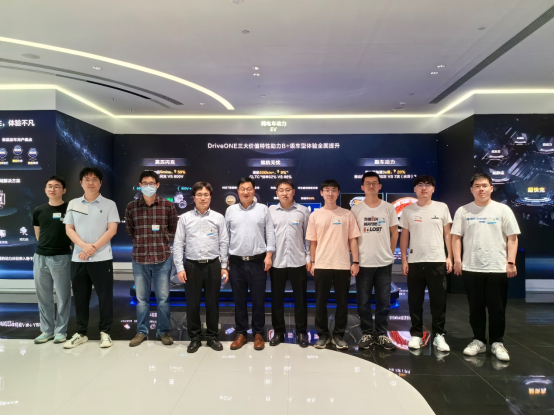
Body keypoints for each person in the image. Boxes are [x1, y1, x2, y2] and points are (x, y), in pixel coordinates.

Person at [452, 173, 520, 362]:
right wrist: (457, 260)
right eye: (477, 186)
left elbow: (512, 237)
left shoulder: (503, 210)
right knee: (475, 308)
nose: (481, 189)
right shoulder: (463, 211)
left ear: (491, 188)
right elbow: (456, 237)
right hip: (472, 267)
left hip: (497, 267)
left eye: (484, 185)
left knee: (497, 309)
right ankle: (479, 341)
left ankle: (497, 342)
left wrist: (511, 262)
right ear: (471, 189)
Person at [63, 167, 120, 349]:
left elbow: (112, 230)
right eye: (87, 179)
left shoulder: (109, 204)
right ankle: (81, 333)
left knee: (105, 297)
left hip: (102, 258)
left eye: (95, 179)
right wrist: (84, 246)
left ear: (100, 183)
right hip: (79, 258)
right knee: (80, 297)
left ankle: (105, 332)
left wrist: (92, 247)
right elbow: (69, 229)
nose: (91, 182)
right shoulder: (73, 204)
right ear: (81, 183)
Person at [399, 175, 453, 353]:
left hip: (437, 260)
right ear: (414, 189)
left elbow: (447, 234)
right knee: (415, 300)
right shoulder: (408, 211)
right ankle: (416, 334)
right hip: (415, 261)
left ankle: (439, 335)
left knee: (439, 301)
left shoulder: (442, 207)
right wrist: (404, 259)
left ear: (433, 189)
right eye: (420, 185)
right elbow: (404, 236)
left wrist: (449, 257)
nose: (424, 188)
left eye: (428, 185)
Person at [174, 182, 229, 353]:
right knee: (192, 304)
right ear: (193, 197)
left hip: (213, 264)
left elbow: (224, 242)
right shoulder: (185, 218)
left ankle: (212, 337)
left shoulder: (218, 217)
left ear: (210, 197)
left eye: (206, 194)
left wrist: (224, 266)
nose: (203, 198)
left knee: (213, 303)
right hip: (191, 265)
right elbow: (178, 244)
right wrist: (179, 268)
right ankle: (195, 338)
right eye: (199, 194)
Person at [125, 171, 178, 347]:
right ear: (140, 185)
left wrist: (163, 240)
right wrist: (142, 242)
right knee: (142, 299)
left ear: (157, 185)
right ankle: (142, 331)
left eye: (152, 183)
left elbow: (173, 228)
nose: (148, 186)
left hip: (162, 258)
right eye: (145, 183)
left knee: (163, 299)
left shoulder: (167, 206)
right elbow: (130, 230)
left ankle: (163, 332)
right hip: (139, 258)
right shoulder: (131, 207)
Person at [306, 179, 361, 350]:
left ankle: (338, 335)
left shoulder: (347, 214)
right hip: (322, 264)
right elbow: (313, 242)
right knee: (320, 302)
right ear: (321, 193)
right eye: (327, 190)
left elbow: (353, 240)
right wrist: (313, 262)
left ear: (338, 193)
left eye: (334, 190)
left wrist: (355, 262)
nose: (330, 193)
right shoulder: (315, 215)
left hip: (342, 264)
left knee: (342, 303)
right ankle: (322, 335)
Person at [226, 177, 275, 351]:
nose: (245, 192)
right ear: (238, 191)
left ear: (254, 191)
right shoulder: (230, 210)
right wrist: (225, 261)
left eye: (249, 188)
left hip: (258, 262)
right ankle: (240, 333)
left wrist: (269, 256)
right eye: (242, 189)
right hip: (236, 262)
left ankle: (258, 333)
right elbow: (226, 237)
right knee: (239, 300)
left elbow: (270, 233)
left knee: (258, 300)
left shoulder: (263, 209)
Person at [351, 172, 399, 351]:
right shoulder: (356, 210)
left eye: (374, 183)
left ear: (380, 186)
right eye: (367, 183)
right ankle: (367, 332)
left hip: (383, 262)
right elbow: (352, 237)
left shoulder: (388, 208)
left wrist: (390, 253)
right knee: (363, 301)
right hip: (363, 262)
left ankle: (380, 333)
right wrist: (355, 260)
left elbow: (394, 232)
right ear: (362, 187)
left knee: (383, 301)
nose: (371, 186)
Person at [268, 179, 311, 348]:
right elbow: (268, 236)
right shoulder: (270, 211)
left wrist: (308, 258)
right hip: (277, 261)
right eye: (281, 190)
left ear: (293, 191)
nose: (284, 193)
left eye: (287, 190)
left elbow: (308, 237)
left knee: (300, 299)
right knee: (276, 299)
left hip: (298, 261)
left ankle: (301, 332)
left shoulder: (303, 211)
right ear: (276, 193)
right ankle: (279, 332)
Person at [32, 176, 73, 345]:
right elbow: (38, 234)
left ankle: (61, 331)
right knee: (44, 297)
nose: (52, 189)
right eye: (49, 186)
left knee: (63, 296)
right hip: (41, 257)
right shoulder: (39, 210)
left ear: (64, 190)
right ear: (45, 189)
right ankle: (47, 330)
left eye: (57, 186)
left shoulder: (70, 209)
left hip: (62, 257)